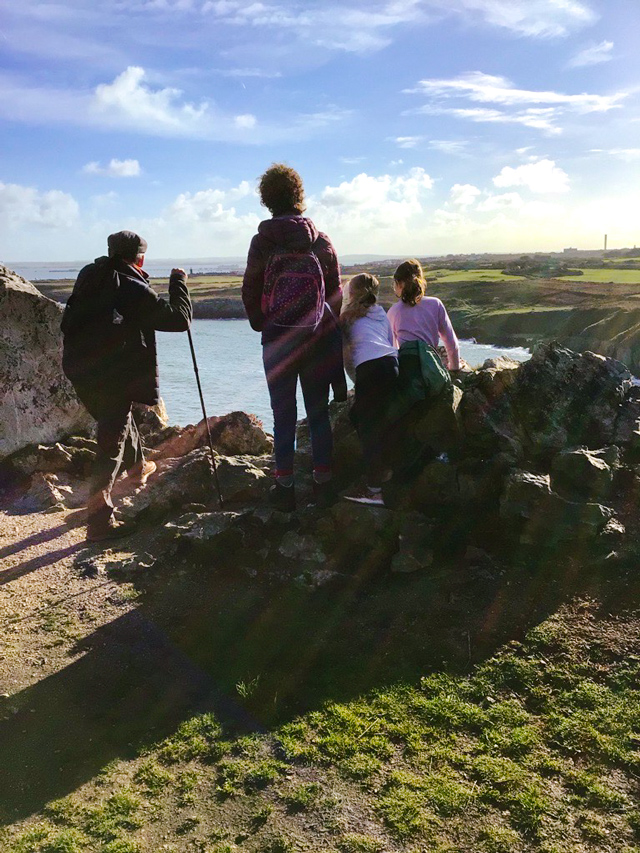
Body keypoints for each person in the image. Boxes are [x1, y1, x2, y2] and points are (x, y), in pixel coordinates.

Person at [61, 231, 192, 541]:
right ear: (140, 257)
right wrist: (179, 283)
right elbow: (178, 320)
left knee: (116, 420)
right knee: (110, 443)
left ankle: (137, 468)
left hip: (80, 369)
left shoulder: (90, 274)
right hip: (112, 376)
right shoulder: (131, 287)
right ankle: (99, 522)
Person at [242, 163, 343, 511]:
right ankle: (323, 483)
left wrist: (265, 324)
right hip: (316, 340)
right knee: (318, 414)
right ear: (300, 196)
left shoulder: (262, 243)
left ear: (267, 199)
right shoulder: (321, 241)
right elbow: (336, 295)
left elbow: (250, 291)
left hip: (277, 343)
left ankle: (284, 488)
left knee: (282, 414)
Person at [340, 273, 398, 506]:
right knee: (384, 423)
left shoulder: (346, 318)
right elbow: (391, 343)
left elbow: (347, 357)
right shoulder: (381, 313)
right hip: (392, 365)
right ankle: (389, 477)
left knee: (367, 427)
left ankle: (374, 490)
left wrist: (356, 382)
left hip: (370, 370)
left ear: (351, 293)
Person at [387, 258, 460, 371]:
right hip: (431, 368)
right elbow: (451, 344)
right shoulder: (435, 304)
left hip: (408, 372)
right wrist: (455, 368)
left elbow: (392, 349)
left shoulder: (393, 311)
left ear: (399, 284)